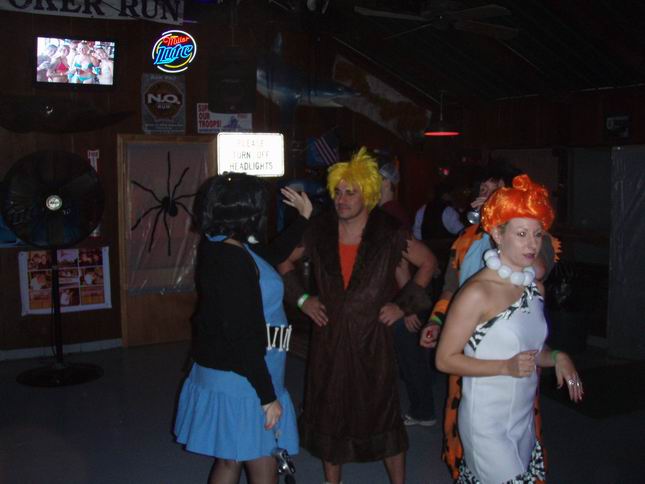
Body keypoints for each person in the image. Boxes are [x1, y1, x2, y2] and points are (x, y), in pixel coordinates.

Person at [278, 147, 437, 484]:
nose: (342, 199)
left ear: (368, 193)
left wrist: (403, 306)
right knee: (329, 412)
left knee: (383, 413)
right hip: (329, 336)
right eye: (338, 191)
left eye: (351, 192)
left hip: (373, 338)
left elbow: (428, 262)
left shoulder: (389, 231)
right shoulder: (320, 230)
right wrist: (303, 299)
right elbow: (283, 261)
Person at [434, 175, 583, 483]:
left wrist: (557, 357)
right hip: (485, 424)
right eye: (521, 234)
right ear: (498, 235)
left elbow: (531, 352)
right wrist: (504, 366)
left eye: (537, 234)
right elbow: (444, 360)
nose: (532, 244)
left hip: (523, 420)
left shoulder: (535, 287)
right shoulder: (477, 292)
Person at [174, 173, 312, 484]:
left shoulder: (222, 243)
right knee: (260, 456)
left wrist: (303, 219)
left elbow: (272, 255)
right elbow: (241, 335)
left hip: (237, 367)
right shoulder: (233, 258)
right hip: (245, 375)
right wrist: (267, 396)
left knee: (232, 457)